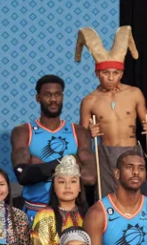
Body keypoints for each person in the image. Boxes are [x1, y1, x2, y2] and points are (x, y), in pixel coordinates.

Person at [76, 25, 147, 197]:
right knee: (108, 195)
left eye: (116, 73)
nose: (111, 77)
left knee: (135, 194)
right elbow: (81, 136)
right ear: (97, 73)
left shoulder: (134, 93)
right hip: (106, 153)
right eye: (106, 73)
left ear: (121, 73)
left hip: (131, 150)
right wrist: (89, 132)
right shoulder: (89, 100)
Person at [11, 75, 95, 221]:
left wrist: (40, 167)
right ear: (38, 98)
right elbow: (23, 175)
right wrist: (68, 161)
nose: (53, 99)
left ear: (62, 97)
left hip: (70, 213)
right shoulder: (23, 132)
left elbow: (90, 178)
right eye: (47, 95)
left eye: (57, 94)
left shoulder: (78, 132)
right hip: (35, 210)